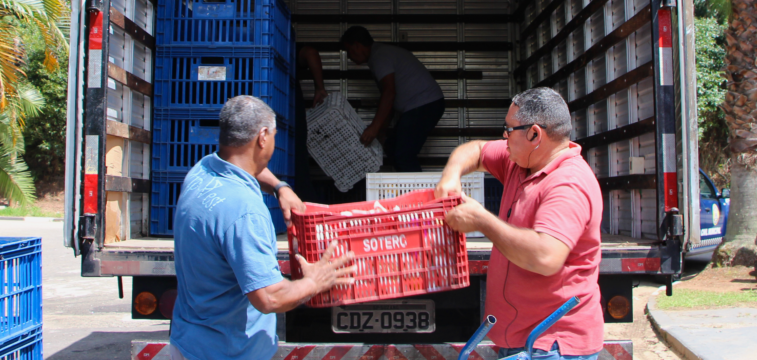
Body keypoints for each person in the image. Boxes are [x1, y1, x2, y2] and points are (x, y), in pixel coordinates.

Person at [171, 95, 355, 360]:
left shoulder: (202, 171)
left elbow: (247, 166)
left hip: (189, 343)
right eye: (275, 135)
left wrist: (280, 187)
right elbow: (270, 298)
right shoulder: (244, 211)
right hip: (229, 353)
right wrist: (315, 281)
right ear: (263, 137)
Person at [434, 88, 604, 360]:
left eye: (508, 129)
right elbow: (476, 150)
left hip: (551, 346)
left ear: (535, 134)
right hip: (523, 340)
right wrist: (451, 175)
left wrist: (481, 220)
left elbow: (545, 256)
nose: (504, 136)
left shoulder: (568, 184)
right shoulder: (521, 161)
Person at [339, 25, 445, 173]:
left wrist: (374, 128)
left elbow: (389, 93)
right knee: (391, 147)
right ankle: (406, 191)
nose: (349, 56)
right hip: (421, 106)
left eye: (349, 51)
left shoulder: (379, 56)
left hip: (425, 104)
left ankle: (420, 195)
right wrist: (381, 132)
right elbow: (388, 100)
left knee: (403, 156)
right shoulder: (378, 56)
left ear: (357, 45)